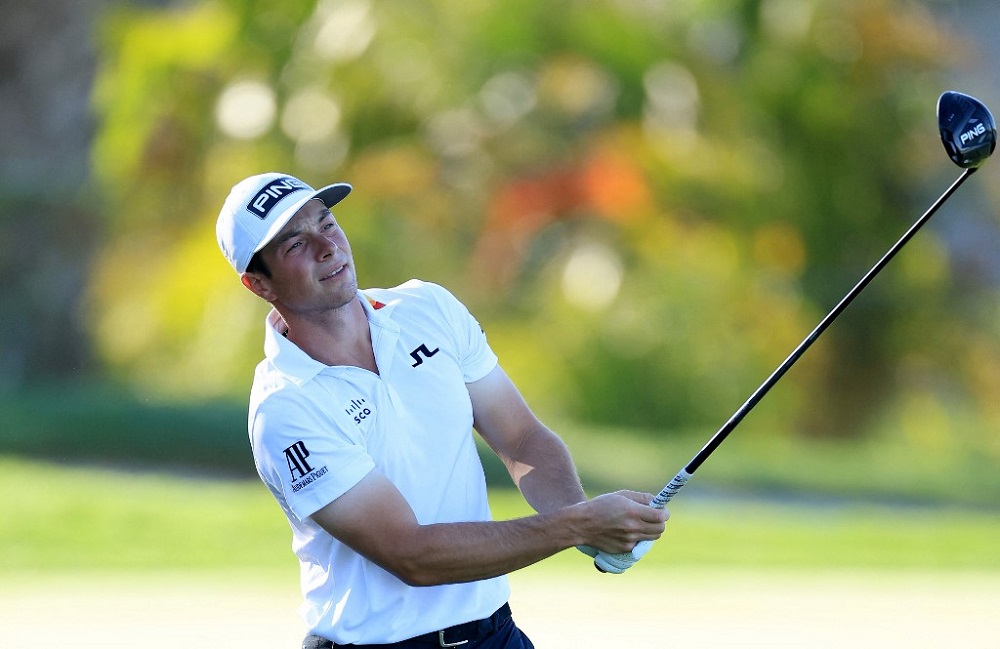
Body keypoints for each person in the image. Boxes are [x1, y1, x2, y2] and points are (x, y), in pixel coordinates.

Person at [216, 172, 668, 648]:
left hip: (495, 633)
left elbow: (520, 438)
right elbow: (410, 554)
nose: (327, 247)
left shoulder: (428, 309)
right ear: (259, 284)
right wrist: (577, 525)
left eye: (326, 223)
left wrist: (582, 517)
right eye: (295, 244)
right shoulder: (285, 407)